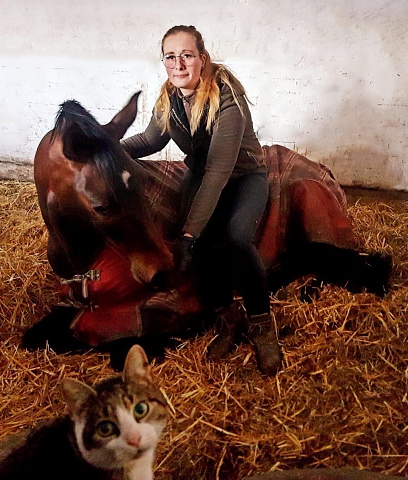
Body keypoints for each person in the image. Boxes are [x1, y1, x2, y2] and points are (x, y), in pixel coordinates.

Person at [121, 25, 281, 376]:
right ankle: (228, 319)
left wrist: (191, 233)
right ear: (164, 61)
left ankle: (261, 323)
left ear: (202, 58)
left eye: (187, 55)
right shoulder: (169, 96)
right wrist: (108, 150)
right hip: (201, 173)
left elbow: (219, 171)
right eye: (170, 56)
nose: (179, 64)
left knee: (235, 237)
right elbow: (149, 140)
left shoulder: (227, 97)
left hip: (241, 176)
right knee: (198, 245)